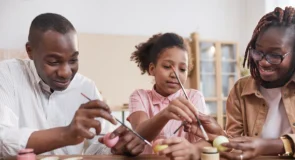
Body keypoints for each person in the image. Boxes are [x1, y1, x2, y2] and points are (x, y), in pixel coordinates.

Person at [183, 6, 295, 160]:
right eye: (258, 52)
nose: (263, 62)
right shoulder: (241, 90)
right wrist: (218, 135)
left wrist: (269, 145)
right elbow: (236, 151)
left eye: (275, 55)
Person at [0, 13, 145, 157]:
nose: (65, 72)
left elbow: (97, 149)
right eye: (53, 62)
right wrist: (66, 134)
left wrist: (117, 146)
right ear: (30, 51)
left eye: (73, 60)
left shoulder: (86, 87)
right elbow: (3, 139)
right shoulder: (7, 75)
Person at [127, 33, 211, 159]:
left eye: (182, 69)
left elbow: (207, 141)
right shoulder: (140, 96)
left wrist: (192, 149)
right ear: (152, 69)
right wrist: (164, 114)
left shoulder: (194, 97)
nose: (175, 74)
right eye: (167, 66)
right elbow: (139, 135)